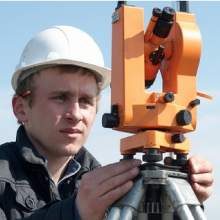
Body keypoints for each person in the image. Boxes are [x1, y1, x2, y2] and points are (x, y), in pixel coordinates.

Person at [0, 25, 213, 220]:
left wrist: (178, 203)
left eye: (85, 101)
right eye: (59, 97)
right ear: (21, 108)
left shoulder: (105, 185)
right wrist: (75, 213)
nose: (75, 114)